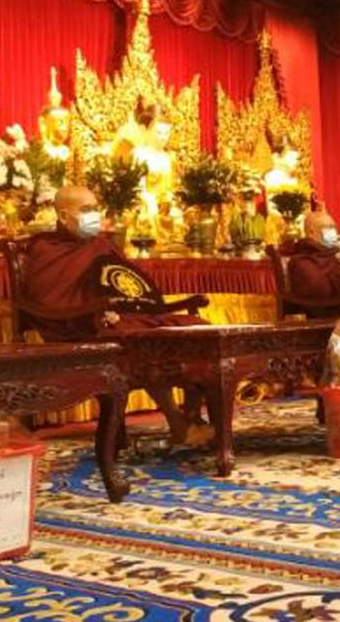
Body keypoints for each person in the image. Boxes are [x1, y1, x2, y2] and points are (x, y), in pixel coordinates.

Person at [18, 184, 211, 442]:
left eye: (95, 208)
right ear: (63, 216)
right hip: (77, 325)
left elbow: (125, 284)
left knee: (193, 327)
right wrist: (97, 310)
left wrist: (122, 308)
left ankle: (191, 416)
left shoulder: (101, 245)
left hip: (118, 317)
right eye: (86, 209)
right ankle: (176, 420)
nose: (94, 215)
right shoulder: (46, 248)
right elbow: (48, 299)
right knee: (139, 341)